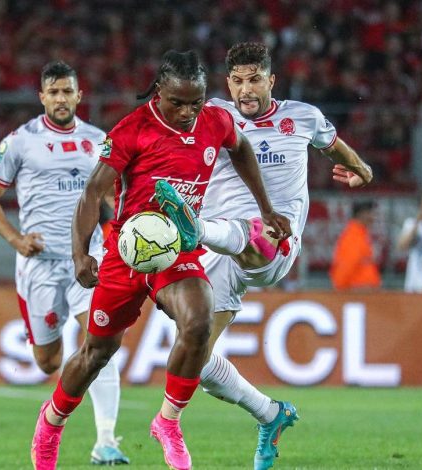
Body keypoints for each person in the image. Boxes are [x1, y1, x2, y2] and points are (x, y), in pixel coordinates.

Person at [30, 50, 291, 470]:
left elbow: (241, 147)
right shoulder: (132, 129)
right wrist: (81, 253)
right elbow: (92, 192)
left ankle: (168, 421)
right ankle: (51, 424)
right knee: (97, 353)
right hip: (126, 253)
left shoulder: (216, 121)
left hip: (176, 248)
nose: (188, 112)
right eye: (177, 103)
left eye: (196, 102)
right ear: (158, 93)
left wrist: (266, 208)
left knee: (199, 321)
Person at [154, 42, 373, 470]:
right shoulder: (212, 114)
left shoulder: (303, 117)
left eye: (254, 80)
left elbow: (335, 146)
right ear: (227, 83)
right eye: (237, 81)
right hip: (219, 254)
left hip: (275, 240)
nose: (245, 90)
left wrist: (362, 171)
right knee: (195, 359)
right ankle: (270, 414)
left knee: (261, 235)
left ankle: (194, 228)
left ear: (271, 80)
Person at [0, 61, 129, 466]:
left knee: (102, 342)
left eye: (67, 91)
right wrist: (16, 239)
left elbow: (110, 199)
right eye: (54, 92)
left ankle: (106, 440)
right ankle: (60, 399)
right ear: (42, 96)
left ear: (79, 95)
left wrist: (121, 232)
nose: (61, 99)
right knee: (48, 361)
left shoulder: (98, 141)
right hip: (40, 265)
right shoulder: (20, 141)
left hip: (87, 261)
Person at [330, 201, 381, 291]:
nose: (373, 217)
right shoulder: (353, 236)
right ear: (362, 214)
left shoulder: (361, 234)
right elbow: (345, 266)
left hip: (364, 292)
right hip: (357, 293)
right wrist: (340, 292)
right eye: (371, 213)